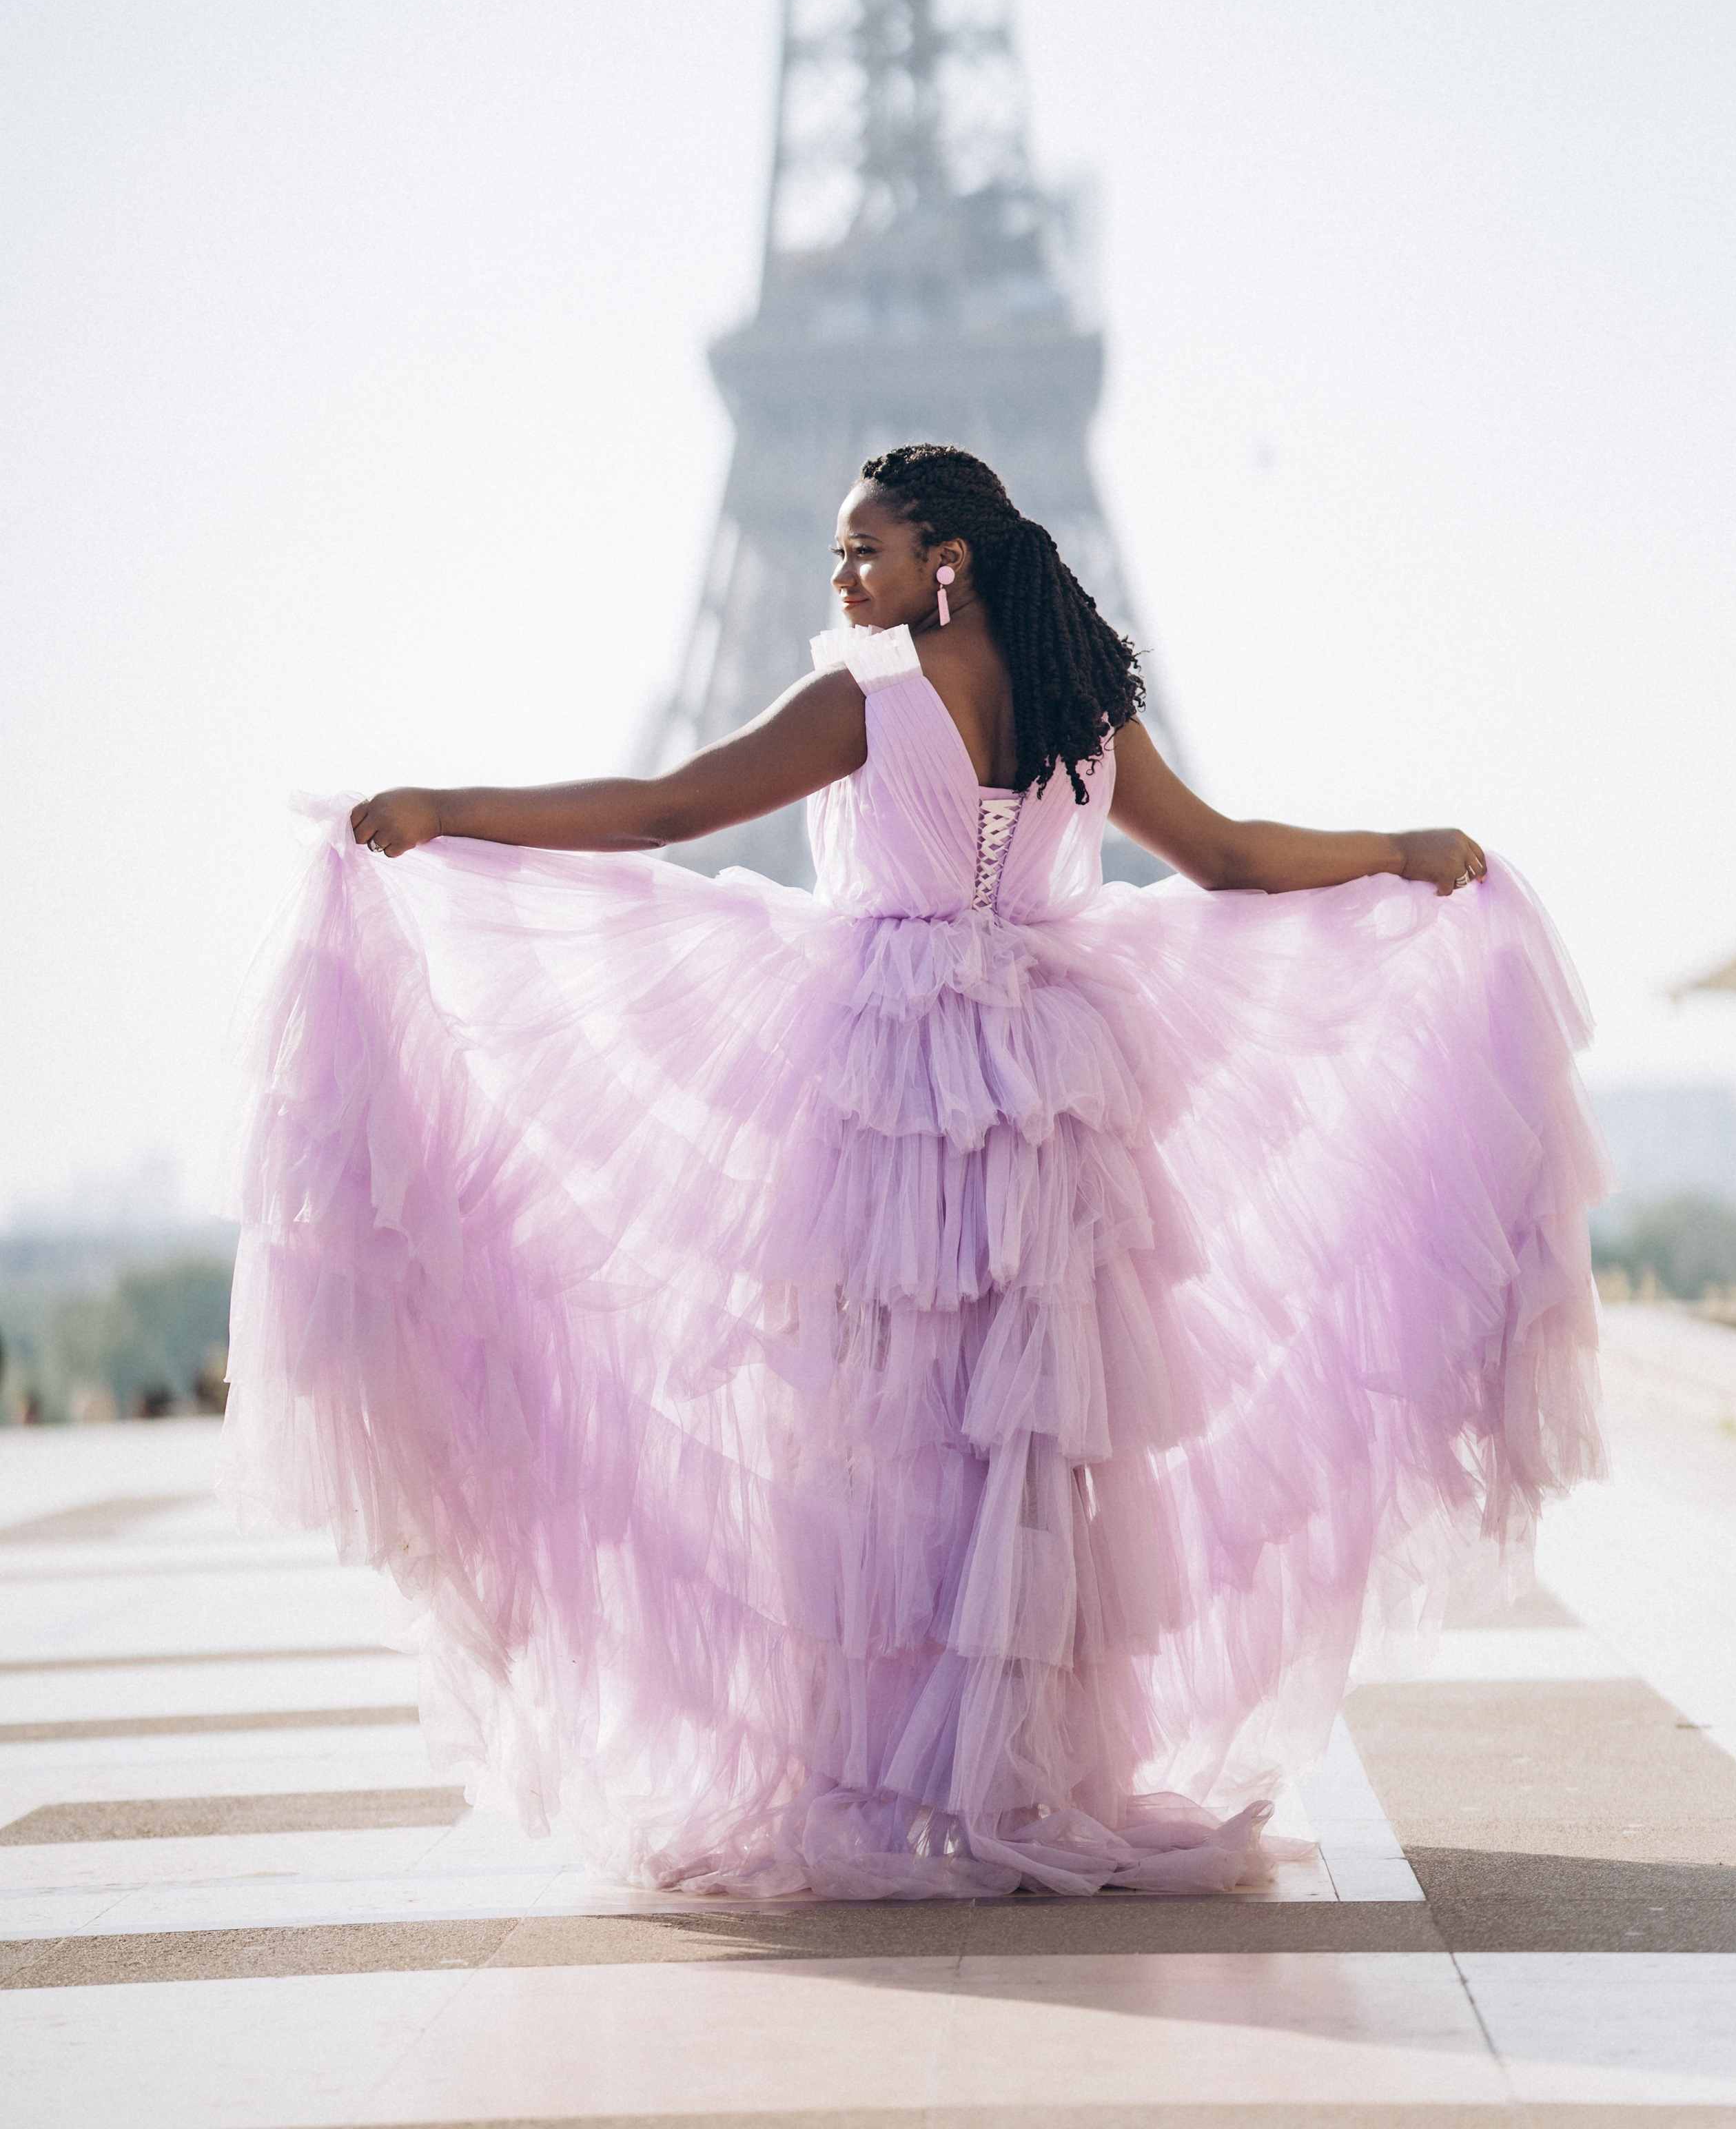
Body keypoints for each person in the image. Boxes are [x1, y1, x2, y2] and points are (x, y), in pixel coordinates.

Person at [221, 442, 1605, 1900]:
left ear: (944, 558)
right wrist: (1400, 848)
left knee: (876, 1443)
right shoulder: (1080, 706)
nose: (839, 577)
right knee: (1027, 1456)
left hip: (892, 1095)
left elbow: (662, 811)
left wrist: (448, 806)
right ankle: (1024, 1773)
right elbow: (1231, 858)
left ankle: (890, 1774)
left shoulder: (867, 696)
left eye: (861, 550)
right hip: (1053, 1099)